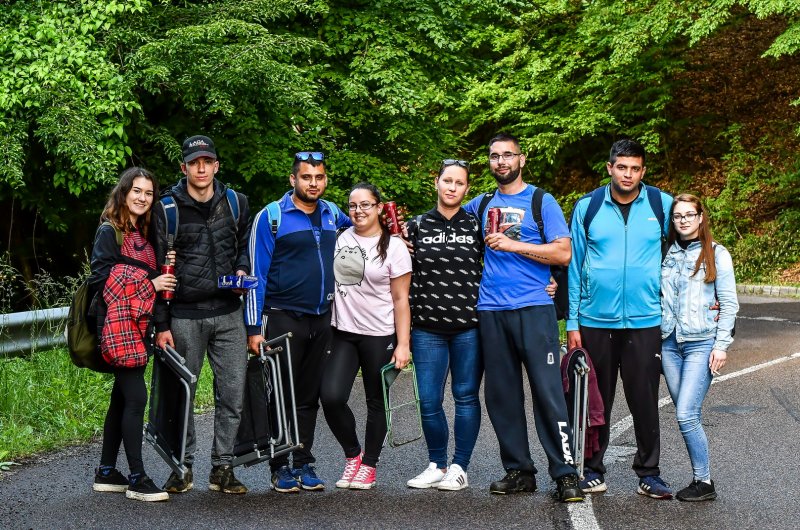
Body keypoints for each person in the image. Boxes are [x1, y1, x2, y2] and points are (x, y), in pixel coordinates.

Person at [464, 133, 584, 503]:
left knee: (548, 393)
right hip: (491, 310)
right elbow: (447, 219)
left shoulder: (540, 201)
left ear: (522, 159)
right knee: (502, 396)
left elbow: (563, 254)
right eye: (494, 156)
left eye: (508, 155)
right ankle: (519, 471)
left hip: (534, 308)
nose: (501, 161)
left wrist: (514, 244)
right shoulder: (481, 203)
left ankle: (565, 473)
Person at [566, 138, 674, 499]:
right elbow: (574, 266)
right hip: (595, 320)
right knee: (596, 401)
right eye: (622, 167)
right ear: (610, 167)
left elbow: (685, 253)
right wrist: (572, 322)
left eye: (635, 168)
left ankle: (649, 473)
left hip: (646, 320)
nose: (628, 174)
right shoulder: (588, 206)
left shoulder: (661, 204)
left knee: (644, 399)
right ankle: (592, 470)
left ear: (643, 171)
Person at [245, 151, 350, 492]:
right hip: (281, 316)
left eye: (319, 177)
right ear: (293, 179)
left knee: (308, 396)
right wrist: (252, 329)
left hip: (321, 318)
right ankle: (279, 467)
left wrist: (396, 232)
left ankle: (303, 461)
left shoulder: (332, 213)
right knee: (280, 395)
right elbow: (256, 275)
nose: (313, 183)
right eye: (306, 177)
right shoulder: (271, 216)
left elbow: (363, 231)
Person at [152, 135, 251, 495]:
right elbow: (158, 266)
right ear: (184, 167)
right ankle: (183, 466)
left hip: (229, 313)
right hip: (184, 315)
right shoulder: (166, 208)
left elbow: (244, 247)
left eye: (207, 161)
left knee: (232, 394)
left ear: (216, 165)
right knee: (183, 394)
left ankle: (222, 468)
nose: (201, 168)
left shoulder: (236, 202)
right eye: (194, 162)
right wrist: (161, 324)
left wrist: (242, 270)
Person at [89, 167, 176, 502]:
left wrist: (164, 265)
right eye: (136, 191)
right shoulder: (109, 231)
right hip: (117, 327)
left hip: (140, 326)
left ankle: (107, 472)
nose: (142, 198)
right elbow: (101, 280)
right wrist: (150, 283)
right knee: (136, 398)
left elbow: (144, 278)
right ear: (123, 193)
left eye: (149, 193)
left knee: (121, 398)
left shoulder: (145, 233)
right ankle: (138, 478)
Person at [320, 182, 412, 490]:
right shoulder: (341, 237)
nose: (358, 211)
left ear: (378, 207)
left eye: (365, 205)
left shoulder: (395, 247)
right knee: (331, 397)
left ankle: (369, 465)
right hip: (343, 332)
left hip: (379, 335)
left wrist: (403, 344)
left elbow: (401, 299)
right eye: (353, 205)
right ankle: (353, 455)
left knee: (376, 401)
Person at [403, 159, 483, 491]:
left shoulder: (477, 225)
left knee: (465, 396)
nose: (452, 187)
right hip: (426, 327)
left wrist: (548, 282)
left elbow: (502, 264)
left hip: (469, 326)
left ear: (467, 188)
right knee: (429, 400)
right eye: (447, 180)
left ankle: (460, 467)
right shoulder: (415, 226)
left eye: (459, 183)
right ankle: (437, 464)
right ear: (436, 182)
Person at [661, 193, 738, 501]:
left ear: (700, 217)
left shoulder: (717, 254)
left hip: (701, 344)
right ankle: (701, 479)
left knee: (685, 414)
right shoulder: (666, 253)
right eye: (678, 216)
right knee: (687, 414)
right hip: (668, 344)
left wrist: (721, 346)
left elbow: (729, 304)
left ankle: (704, 481)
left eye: (689, 215)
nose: (683, 221)